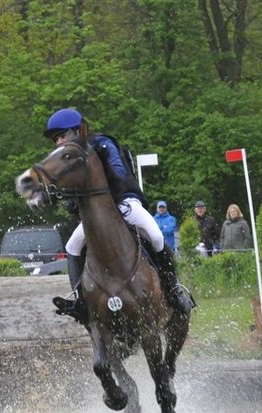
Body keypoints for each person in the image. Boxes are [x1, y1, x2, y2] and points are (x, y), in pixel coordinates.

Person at [43, 108, 194, 323]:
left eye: (63, 135)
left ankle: (173, 290)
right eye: (56, 139)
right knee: (72, 246)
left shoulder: (102, 144)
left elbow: (118, 173)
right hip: (98, 215)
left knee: (156, 236)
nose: (59, 142)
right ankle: (79, 301)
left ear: (78, 131)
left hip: (125, 202)